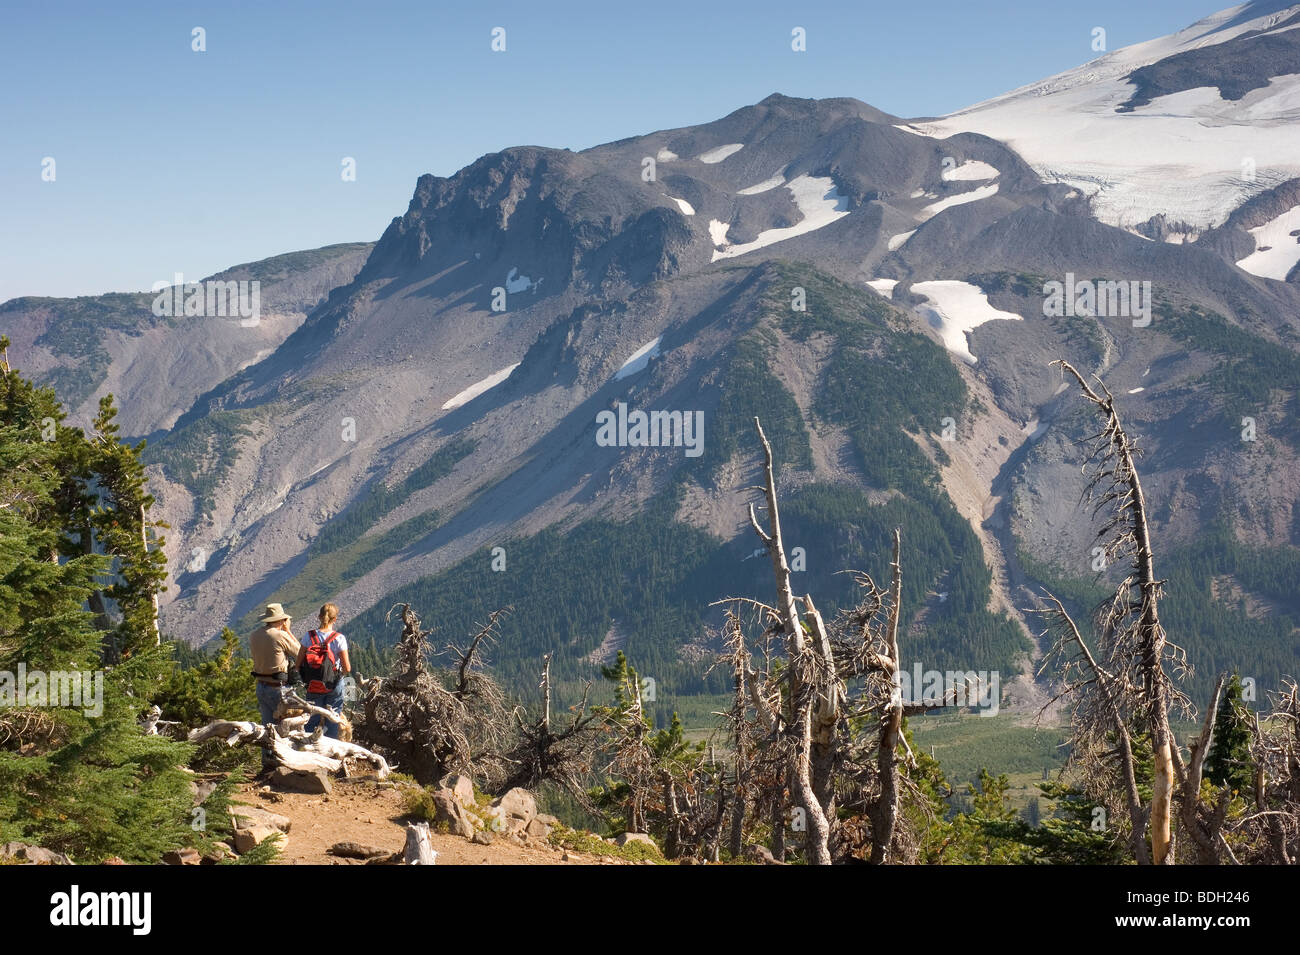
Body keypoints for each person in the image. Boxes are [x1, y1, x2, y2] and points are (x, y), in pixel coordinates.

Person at [249, 603, 300, 772]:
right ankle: (286, 764)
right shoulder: (278, 636)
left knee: (267, 727)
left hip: (261, 686)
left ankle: (267, 763)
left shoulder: (254, 635)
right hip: (279, 688)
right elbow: (300, 653)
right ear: (280, 620)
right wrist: (288, 631)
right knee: (288, 727)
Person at [296, 603, 351, 740]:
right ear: (335, 619)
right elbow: (347, 668)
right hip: (334, 684)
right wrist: (338, 676)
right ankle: (330, 751)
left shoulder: (308, 637)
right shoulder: (339, 638)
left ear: (319, 617)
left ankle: (308, 748)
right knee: (333, 718)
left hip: (313, 684)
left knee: (312, 718)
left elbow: (298, 663)